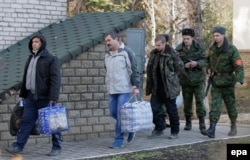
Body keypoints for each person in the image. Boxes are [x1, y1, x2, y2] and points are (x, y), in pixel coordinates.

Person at [5, 34, 62, 156]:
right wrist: (23, 94)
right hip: (30, 97)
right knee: (25, 121)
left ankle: (57, 147)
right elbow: (27, 78)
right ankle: (18, 146)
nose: (33, 44)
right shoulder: (30, 58)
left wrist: (53, 97)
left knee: (52, 123)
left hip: (45, 97)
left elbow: (55, 79)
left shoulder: (50, 58)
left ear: (42, 43)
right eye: (32, 42)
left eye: (36, 42)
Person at [206, 26, 244, 138]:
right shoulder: (212, 48)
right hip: (216, 82)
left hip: (228, 83)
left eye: (217, 35)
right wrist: (208, 68)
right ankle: (212, 129)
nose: (215, 38)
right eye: (214, 35)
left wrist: (239, 80)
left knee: (231, 107)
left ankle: (233, 125)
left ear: (223, 35)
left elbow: (239, 67)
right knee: (215, 106)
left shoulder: (231, 49)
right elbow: (207, 60)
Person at [104, 31, 140, 148]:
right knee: (113, 112)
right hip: (112, 90)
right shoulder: (107, 55)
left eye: (109, 40)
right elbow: (107, 71)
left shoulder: (126, 52)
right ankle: (130, 128)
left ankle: (118, 140)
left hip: (124, 89)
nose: (107, 43)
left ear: (116, 39)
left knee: (120, 114)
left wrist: (135, 86)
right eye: (106, 41)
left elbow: (134, 69)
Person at [146, 34, 184, 139]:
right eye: (155, 45)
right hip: (156, 88)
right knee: (154, 109)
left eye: (158, 45)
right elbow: (150, 68)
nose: (156, 47)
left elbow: (179, 68)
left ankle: (174, 131)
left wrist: (173, 79)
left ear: (164, 44)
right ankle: (159, 127)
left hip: (169, 88)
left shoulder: (172, 54)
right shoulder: (154, 54)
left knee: (172, 111)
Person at [175, 28, 207, 135]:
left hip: (198, 80)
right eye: (184, 38)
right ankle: (188, 122)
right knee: (187, 102)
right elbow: (176, 63)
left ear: (192, 38)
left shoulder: (199, 48)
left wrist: (197, 63)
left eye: (188, 38)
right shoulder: (179, 49)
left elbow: (205, 60)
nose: (186, 40)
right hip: (186, 80)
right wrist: (184, 65)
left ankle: (202, 123)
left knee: (199, 101)